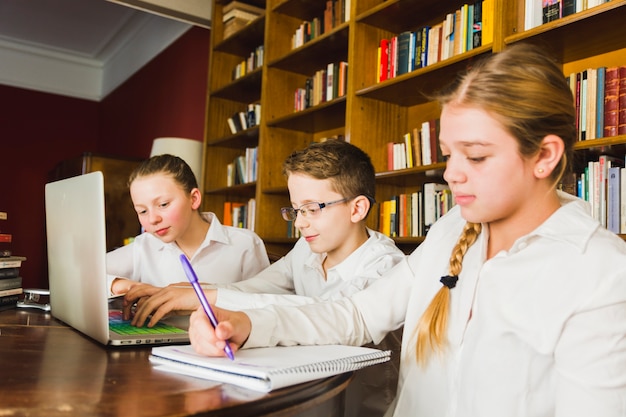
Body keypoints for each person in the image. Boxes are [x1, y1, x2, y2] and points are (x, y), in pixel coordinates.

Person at [187, 43, 626, 417]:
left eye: (474, 156)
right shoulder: (450, 230)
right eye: (448, 154)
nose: (451, 174)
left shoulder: (599, 271)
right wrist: (247, 324)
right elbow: (357, 315)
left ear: (544, 156)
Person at [129, 140, 406, 417]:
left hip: (362, 408)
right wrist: (198, 291)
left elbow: (332, 316)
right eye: (296, 210)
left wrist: (211, 296)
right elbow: (256, 286)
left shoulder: (384, 266)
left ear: (357, 209)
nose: (299, 223)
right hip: (306, 396)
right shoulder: (306, 249)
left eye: (311, 209)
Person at [106, 153, 270, 324]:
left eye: (163, 205)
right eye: (142, 211)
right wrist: (120, 285)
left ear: (194, 199)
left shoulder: (245, 244)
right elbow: (82, 273)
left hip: (222, 344)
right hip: (160, 347)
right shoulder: (144, 246)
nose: (153, 219)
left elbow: (266, 307)